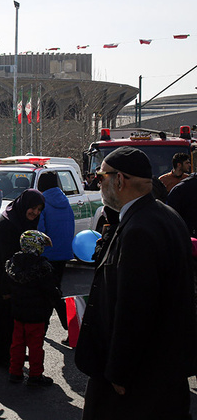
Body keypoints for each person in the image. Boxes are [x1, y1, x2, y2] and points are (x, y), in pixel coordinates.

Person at [75, 146, 197, 419]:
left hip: (138, 376)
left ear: (119, 180)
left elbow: (135, 307)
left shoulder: (139, 229)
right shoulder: (163, 215)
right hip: (164, 367)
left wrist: (120, 371)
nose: (98, 182)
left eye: (100, 176)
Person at [0, 189, 45, 369]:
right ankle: (1, 357)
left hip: (7, 274)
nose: (35, 213)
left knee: (9, 318)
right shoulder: (8, 224)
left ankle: (11, 353)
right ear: (24, 204)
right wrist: (6, 289)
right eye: (33, 208)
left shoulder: (21, 220)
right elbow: (6, 259)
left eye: (39, 209)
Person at [6, 230, 61, 387]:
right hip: (37, 315)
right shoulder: (42, 267)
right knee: (35, 346)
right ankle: (35, 375)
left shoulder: (13, 263)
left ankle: (15, 372)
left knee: (17, 344)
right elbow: (51, 289)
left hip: (18, 312)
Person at [36, 171, 73, 333]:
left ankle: (71, 327)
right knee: (54, 289)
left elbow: (40, 231)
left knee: (50, 292)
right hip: (64, 251)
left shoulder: (42, 202)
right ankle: (49, 327)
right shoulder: (65, 201)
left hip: (47, 253)